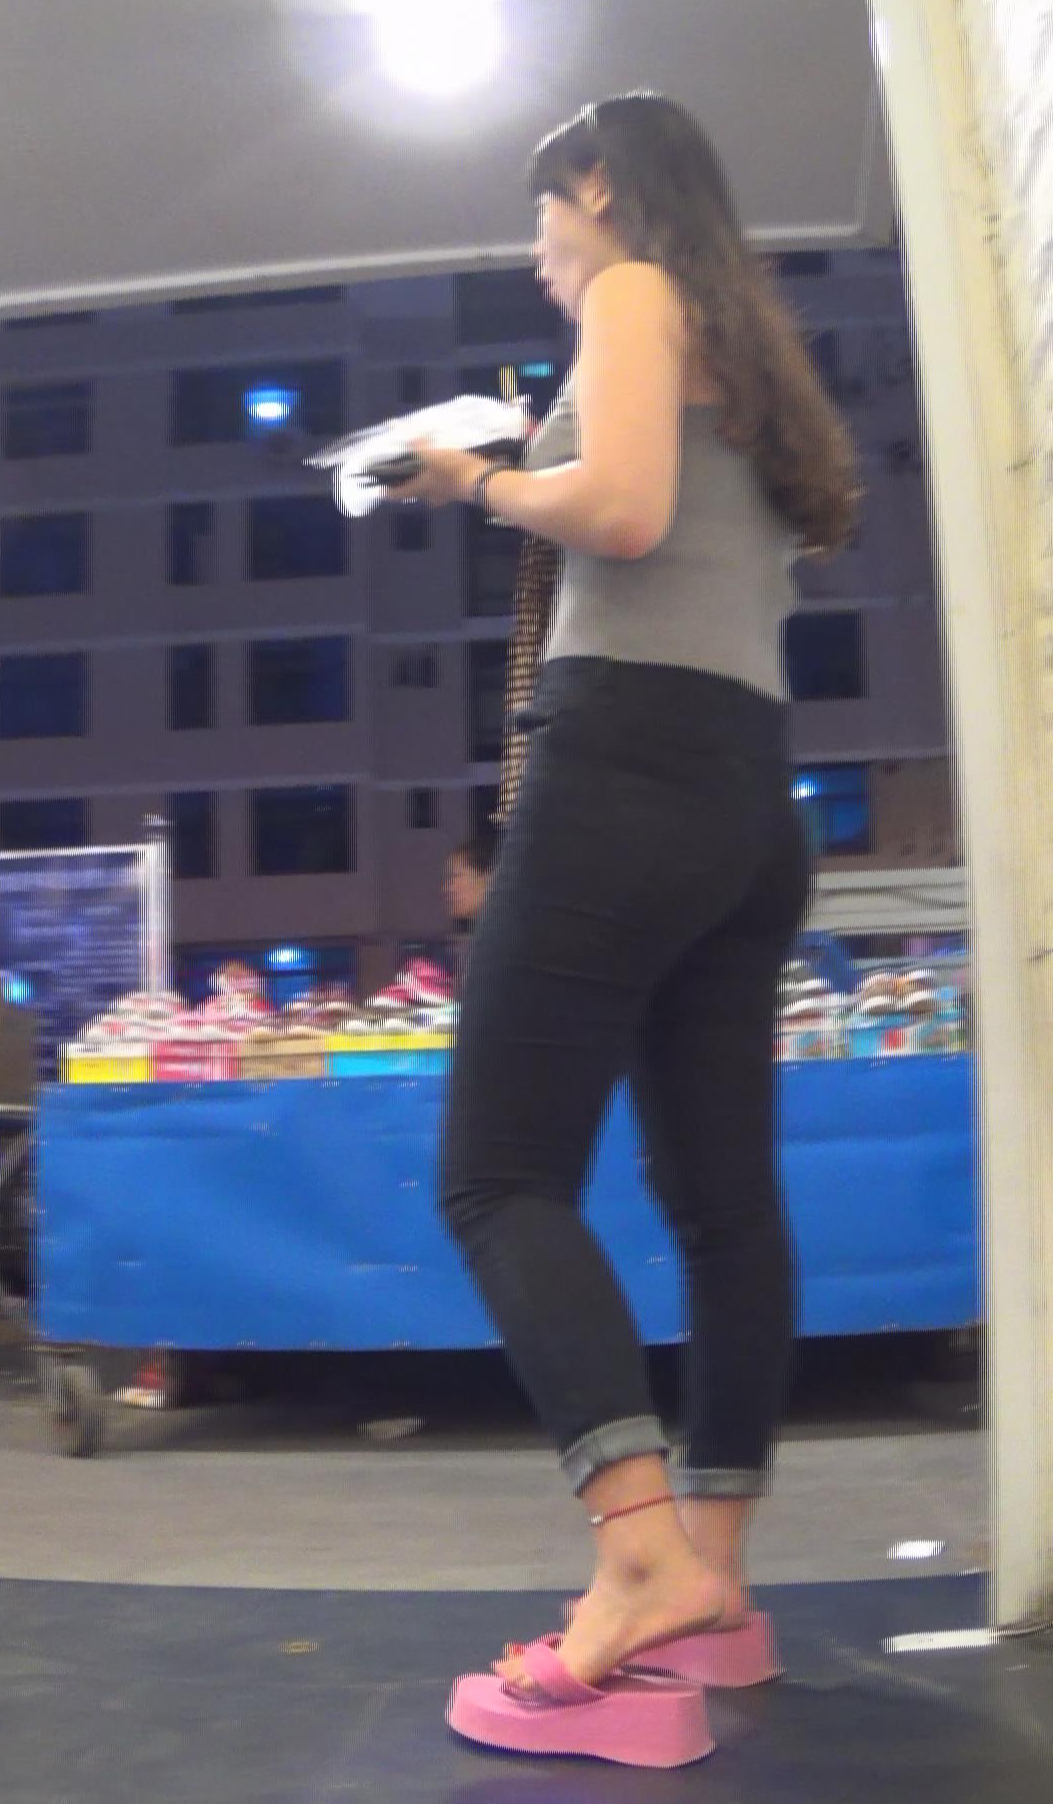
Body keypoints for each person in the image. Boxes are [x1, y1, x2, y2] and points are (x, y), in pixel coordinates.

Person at [392, 91, 858, 1759]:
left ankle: (637, 1560)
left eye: (544, 225)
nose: (542, 260)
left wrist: (482, 479)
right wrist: (554, 455)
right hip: (747, 798)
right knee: (723, 1205)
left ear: (599, 186)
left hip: (625, 772)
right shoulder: (748, 345)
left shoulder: (635, 290)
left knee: (497, 1175)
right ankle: (712, 1581)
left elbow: (629, 515)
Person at [442, 834, 496, 993]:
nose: (447, 888)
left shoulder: (501, 943)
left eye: (456, 876)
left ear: (488, 879)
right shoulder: (480, 939)